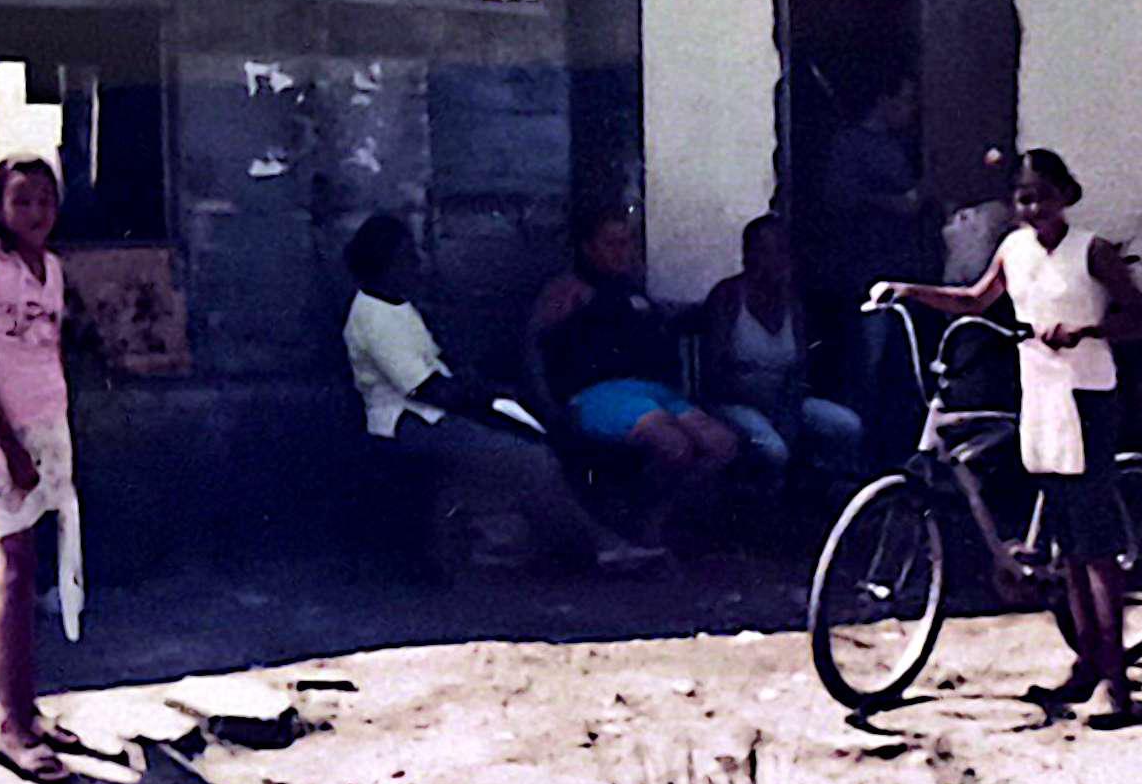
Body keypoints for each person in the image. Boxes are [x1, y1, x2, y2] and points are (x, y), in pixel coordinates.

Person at [874, 149, 1142, 730]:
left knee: (1096, 541)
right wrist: (909, 290)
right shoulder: (1014, 250)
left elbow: (1141, 317)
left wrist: (1086, 329)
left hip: (1088, 395)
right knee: (1066, 541)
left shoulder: (1092, 252)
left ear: (1066, 197)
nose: (1033, 208)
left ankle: (1115, 682)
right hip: (1040, 394)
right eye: (1024, 198)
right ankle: (1085, 661)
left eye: (1043, 197)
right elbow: (975, 299)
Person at [342, 214, 669, 576]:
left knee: (534, 443)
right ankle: (595, 544)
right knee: (531, 460)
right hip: (409, 421)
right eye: (406, 258)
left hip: (434, 414)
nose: (416, 265)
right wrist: (486, 397)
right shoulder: (373, 316)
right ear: (384, 263)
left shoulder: (396, 305)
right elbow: (427, 389)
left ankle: (562, 540)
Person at [0, 154, 91, 784]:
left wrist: (47, 433)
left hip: (49, 427)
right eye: (21, 200)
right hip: (3, 432)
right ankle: (11, 726)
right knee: (13, 567)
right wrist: (9, 444)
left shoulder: (54, 270)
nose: (35, 212)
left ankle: (29, 710)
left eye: (44, 200)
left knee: (36, 561)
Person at [529, 209, 742, 546]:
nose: (622, 252)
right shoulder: (568, 291)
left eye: (627, 243)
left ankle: (659, 514)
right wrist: (550, 409)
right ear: (588, 248)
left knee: (722, 443)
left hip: (656, 393)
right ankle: (632, 521)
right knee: (673, 445)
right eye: (611, 244)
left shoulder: (634, 291)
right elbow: (535, 349)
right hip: (599, 394)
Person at [697, 214, 867, 497]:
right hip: (734, 403)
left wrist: (786, 403)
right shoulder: (727, 296)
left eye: (782, 251)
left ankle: (828, 494)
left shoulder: (792, 301)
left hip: (783, 401)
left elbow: (801, 365)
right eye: (767, 251)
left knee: (847, 425)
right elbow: (713, 375)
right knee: (772, 448)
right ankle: (762, 509)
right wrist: (759, 399)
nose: (776, 260)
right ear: (748, 255)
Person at [816, 73, 936, 429]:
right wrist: (894, 203)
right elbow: (837, 197)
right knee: (867, 364)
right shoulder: (850, 143)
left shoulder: (901, 145)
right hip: (866, 273)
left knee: (902, 366)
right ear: (883, 99)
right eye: (906, 99)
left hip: (905, 272)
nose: (912, 110)